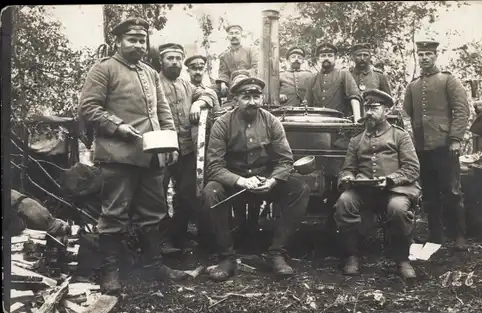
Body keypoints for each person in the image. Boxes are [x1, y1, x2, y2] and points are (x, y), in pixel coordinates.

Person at [78, 17, 188, 294]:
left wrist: (171, 143)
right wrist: (117, 126)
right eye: (132, 39)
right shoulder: (104, 70)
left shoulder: (150, 73)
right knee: (114, 215)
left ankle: (153, 266)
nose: (139, 45)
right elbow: (88, 108)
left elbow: (163, 112)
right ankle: (110, 272)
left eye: (142, 40)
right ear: (118, 41)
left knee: (154, 213)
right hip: (118, 157)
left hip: (151, 157)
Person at [202, 75, 311, 281]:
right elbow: (214, 166)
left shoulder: (272, 122)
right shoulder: (222, 124)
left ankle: (276, 253)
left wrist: (272, 181)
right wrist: (241, 181)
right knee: (211, 192)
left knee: (300, 189)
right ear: (235, 100)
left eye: (256, 96)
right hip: (234, 181)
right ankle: (227, 257)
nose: (252, 101)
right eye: (246, 96)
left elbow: (285, 160)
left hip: (265, 180)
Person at [335, 89, 421, 279]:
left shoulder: (400, 136)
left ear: (386, 111)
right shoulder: (356, 140)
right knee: (344, 202)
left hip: (396, 190)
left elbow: (412, 169)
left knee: (398, 209)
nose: (369, 112)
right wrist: (347, 178)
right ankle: (352, 255)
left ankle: (402, 259)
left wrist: (390, 179)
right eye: (367, 108)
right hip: (366, 191)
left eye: (375, 107)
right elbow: (347, 168)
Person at [403, 40, 470, 250]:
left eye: (428, 54)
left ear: (435, 56)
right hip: (422, 148)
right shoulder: (413, 85)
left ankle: (459, 235)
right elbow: (405, 114)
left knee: (452, 191)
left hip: (445, 146)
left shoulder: (448, 80)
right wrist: (409, 137)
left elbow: (461, 111)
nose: (424, 58)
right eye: (421, 54)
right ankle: (435, 235)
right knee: (430, 194)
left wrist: (455, 139)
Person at [157, 43, 218, 252]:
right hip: (160, 148)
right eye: (169, 58)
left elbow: (210, 94)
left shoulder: (186, 85)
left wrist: (198, 103)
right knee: (158, 194)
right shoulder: (153, 83)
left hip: (186, 149)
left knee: (186, 194)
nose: (174, 62)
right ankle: (162, 240)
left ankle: (179, 236)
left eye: (177, 58)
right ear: (161, 61)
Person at [305, 42, 362, 122]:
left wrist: (357, 119)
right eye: (323, 56)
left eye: (330, 55)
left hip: (338, 122)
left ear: (335, 58)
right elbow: (307, 104)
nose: (326, 58)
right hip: (317, 123)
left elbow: (354, 97)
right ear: (318, 59)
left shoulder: (343, 74)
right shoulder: (313, 78)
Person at [216, 25, 259, 98]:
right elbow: (223, 73)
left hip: (249, 83)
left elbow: (255, 68)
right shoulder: (224, 56)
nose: (234, 36)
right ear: (228, 36)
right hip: (232, 87)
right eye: (231, 33)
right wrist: (223, 83)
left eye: (237, 33)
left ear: (241, 35)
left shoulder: (251, 50)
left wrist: (243, 76)